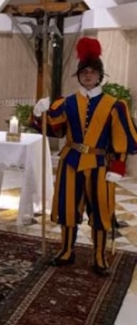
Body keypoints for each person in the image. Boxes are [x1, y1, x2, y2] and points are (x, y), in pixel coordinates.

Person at [32, 37, 137, 276]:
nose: (88, 75)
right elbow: (54, 128)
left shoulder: (114, 105)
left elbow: (122, 137)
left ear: (100, 76)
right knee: (68, 207)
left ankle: (99, 255)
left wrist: (118, 166)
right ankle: (66, 250)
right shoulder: (67, 103)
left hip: (100, 164)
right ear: (78, 75)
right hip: (71, 162)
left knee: (100, 210)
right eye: (84, 71)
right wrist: (40, 114)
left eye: (93, 71)